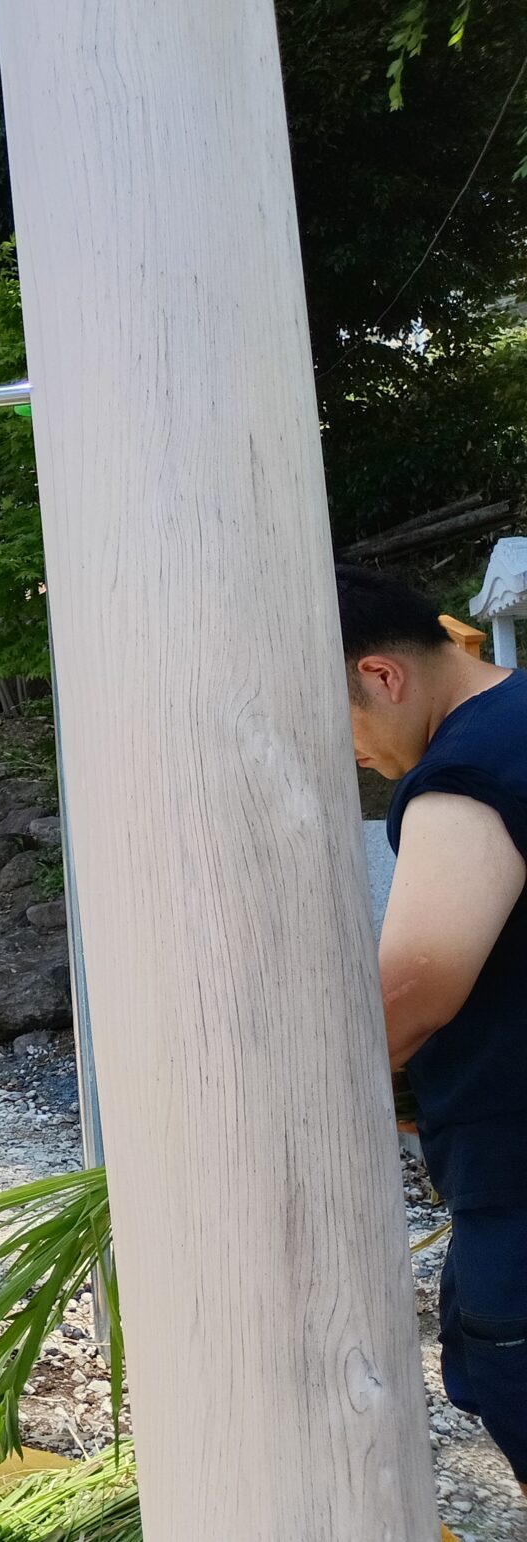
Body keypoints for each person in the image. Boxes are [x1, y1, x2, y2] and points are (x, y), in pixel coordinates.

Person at [340, 565, 527, 1496]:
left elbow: (415, 988)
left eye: (341, 728)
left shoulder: (466, 773)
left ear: (382, 676)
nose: (353, 757)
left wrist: (304, 1101)